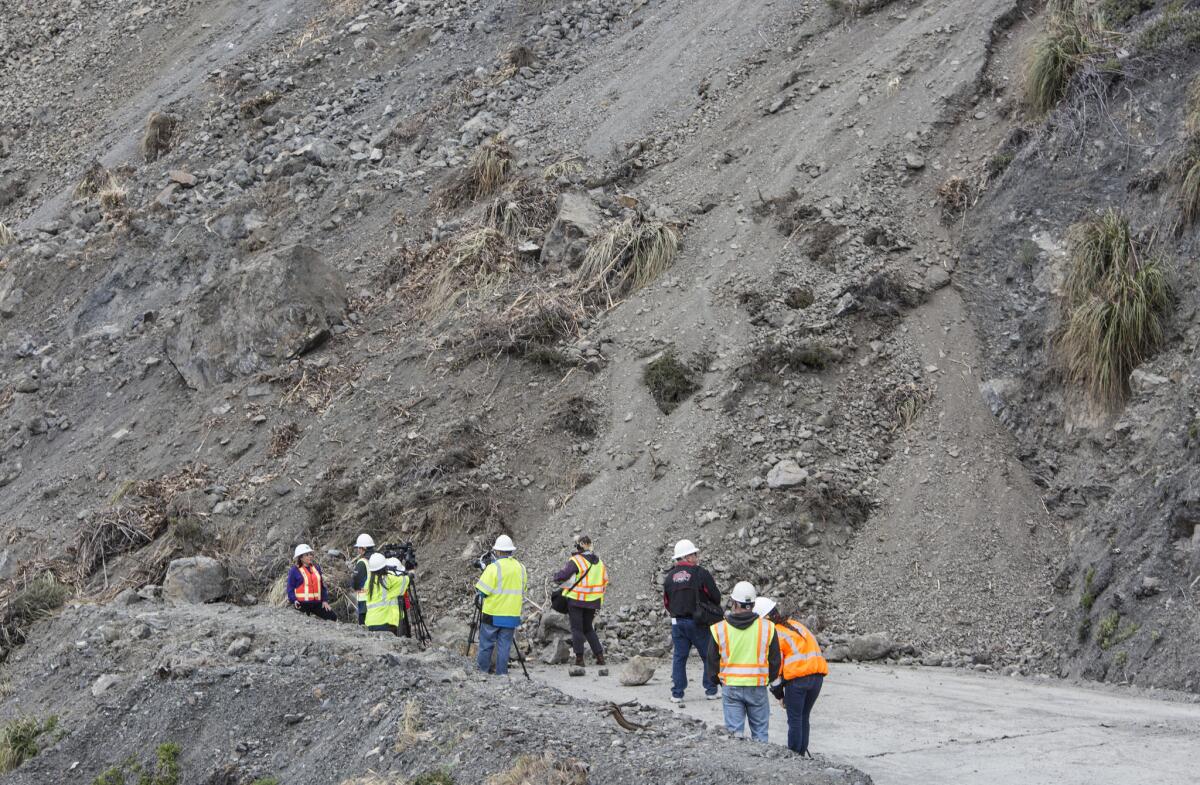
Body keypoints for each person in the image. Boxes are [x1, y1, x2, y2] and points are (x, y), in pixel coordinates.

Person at [705, 581, 780, 742]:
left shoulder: (720, 629)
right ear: (752, 604)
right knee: (760, 735)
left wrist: (717, 681)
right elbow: (775, 661)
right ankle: (762, 765)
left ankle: (738, 767)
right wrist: (767, 679)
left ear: (734, 603)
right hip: (757, 687)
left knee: (734, 736)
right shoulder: (768, 628)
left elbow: (711, 661)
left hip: (731, 687)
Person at [755, 596, 828, 757]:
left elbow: (775, 669)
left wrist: (779, 694)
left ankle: (795, 756)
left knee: (795, 719)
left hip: (798, 681)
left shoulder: (775, 634)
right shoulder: (796, 626)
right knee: (803, 717)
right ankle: (801, 753)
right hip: (817, 678)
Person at [662, 538, 722, 705]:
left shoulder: (669, 577)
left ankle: (677, 693)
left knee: (679, 658)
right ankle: (711, 690)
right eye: (695, 554)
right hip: (699, 622)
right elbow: (716, 596)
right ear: (688, 556)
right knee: (707, 655)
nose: (697, 557)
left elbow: (667, 603)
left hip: (677, 623)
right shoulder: (700, 573)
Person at [474, 534, 528, 676]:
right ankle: (502, 674)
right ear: (511, 550)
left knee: (486, 644)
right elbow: (523, 589)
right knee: (505, 646)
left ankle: (482, 672)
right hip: (512, 615)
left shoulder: (493, 568)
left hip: (493, 614)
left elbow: (482, 591)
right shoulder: (521, 568)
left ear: (497, 551)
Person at [552, 535, 608, 667]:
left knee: (577, 629)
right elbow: (605, 580)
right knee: (588, 628)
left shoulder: (576, 560)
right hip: (593, 601)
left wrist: (555, 576)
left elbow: (563, 575)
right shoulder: (599, 562)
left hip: (576, 600)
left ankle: (579, 659)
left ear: (581, 545)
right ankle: (600, 656)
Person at [286, 544, 337, 621]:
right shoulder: (294, 570)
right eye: (307, 555)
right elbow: (290, 588)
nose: (310, 556)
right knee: (303, 622)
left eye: (310, 554)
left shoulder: (316, 568)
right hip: (302, 604)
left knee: (333, 617)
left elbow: (321, 586)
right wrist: (294, 600)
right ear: (301, 557)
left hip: (317, 603)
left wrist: (324, 600)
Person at [363, 552, 410, 634]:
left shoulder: (368, 582)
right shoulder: (387, 580)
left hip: (370, 623)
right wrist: (411, 573)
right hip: (384, 623)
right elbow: (405, 581)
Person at [350, 533, 376, 625]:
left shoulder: (362, 562)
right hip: (376, 599)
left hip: (364, 601)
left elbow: (355, 582)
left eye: (359, 548)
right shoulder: (377, 560)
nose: (358, 550)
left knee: (364, 626)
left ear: (363, 548)